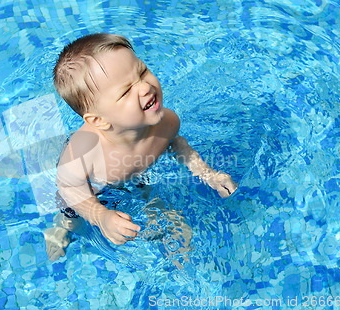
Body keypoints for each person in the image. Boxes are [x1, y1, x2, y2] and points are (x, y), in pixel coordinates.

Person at [44, 33, 237, 261]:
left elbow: (178, 145)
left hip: (137, 172)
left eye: (142, 71)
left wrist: (208, 174)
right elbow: (68, 186)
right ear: (99, 121)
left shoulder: (167, 122)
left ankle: (158, 217)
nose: (145, 87)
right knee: (71, 211)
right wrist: (100, 216)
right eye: (126, 91)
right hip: (94, 185)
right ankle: (61, 228)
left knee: (147, 193)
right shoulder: (84, 152)